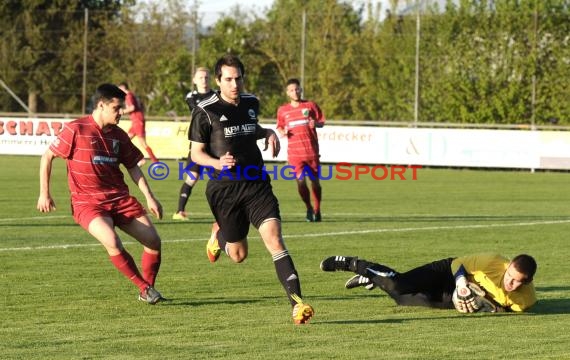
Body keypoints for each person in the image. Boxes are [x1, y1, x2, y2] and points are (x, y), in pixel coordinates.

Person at [190, 54, 314, 324]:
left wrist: (266, 132)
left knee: (275, 239)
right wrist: (216, 162)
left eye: (238, 78)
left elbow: (249, 128)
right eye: (228, 79)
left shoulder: (251, 102)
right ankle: (218, 236)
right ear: (218, 80)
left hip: (257, 183)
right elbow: (196, 153)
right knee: (238, 255)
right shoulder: (204, 110)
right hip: (225, 190)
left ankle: (297, 304)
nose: (234, 84)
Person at [37, 83, 165, 304]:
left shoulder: (120, 135)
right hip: (87, 203)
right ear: (101, 105)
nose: (122, 112)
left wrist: (149, 196)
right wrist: (44, 193)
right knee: (112, 241)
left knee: (153, 241)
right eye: (117, 108)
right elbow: (47, 156)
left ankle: (147, 290)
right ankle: (143, 287)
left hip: (120, 199)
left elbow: (133, 167)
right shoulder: (76, 129)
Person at [320, 253, 537, 313]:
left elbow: (504, 307)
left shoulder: (525, 300)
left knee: (402, 299)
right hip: (446, 272)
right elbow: (459, 264)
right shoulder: (492, 261)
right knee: (400, 285)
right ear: (508, 266)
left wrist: (485, 304)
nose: (512, 284)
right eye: (510, 277)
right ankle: (353, 264)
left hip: (457, 295)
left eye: (519, 283)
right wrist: (462, 285)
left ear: (528, 282)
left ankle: (374, 278)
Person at [276, 78, 325, 222]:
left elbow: (321, 122)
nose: (295, 92)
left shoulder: (310, 106)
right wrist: (282, 132)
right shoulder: (283, 110)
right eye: (291, 90)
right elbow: (279, 126)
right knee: (301, 181)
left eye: (297, 89)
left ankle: (317, 209)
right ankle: (309, 208)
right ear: (287, 93)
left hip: (311, 152)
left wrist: (315, 123)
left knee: (315, 182)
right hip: (295, 154)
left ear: (300, 90)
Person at [173, 67, 216, 221]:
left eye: (206, 77)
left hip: (216, 144)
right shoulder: (191, 96)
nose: (204, 80)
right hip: (198, 142)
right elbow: (199, 113)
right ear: (194, 80)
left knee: (220, 178)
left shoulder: (217, 95)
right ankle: (179, 211)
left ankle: (225, 211)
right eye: (200, 77)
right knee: (192, 177)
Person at [118, 82, 159, 165]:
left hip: (138, 120)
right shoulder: (130, 95)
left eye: (119, 89)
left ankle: (155, 161)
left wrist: (122, 111)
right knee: (126, 140)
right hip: (135, 121)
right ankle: (139, 159)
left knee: (142, 143)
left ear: (123, 88)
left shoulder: (128, 95)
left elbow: (132, 107)